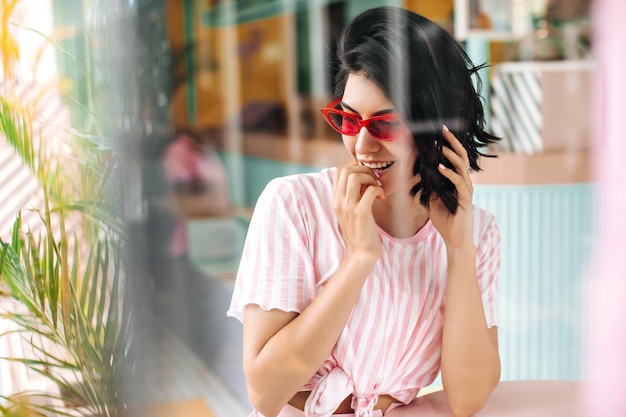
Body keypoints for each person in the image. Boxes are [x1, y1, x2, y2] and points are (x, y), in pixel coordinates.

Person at [228, 6, 502, 417]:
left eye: (384, 125)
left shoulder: (477, 233)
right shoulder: (294, 206)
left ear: (437, 130)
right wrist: (358, 260)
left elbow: (468, 399)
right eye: (349, 120)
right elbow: (266, 392)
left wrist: (459, 250)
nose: (361, 146)